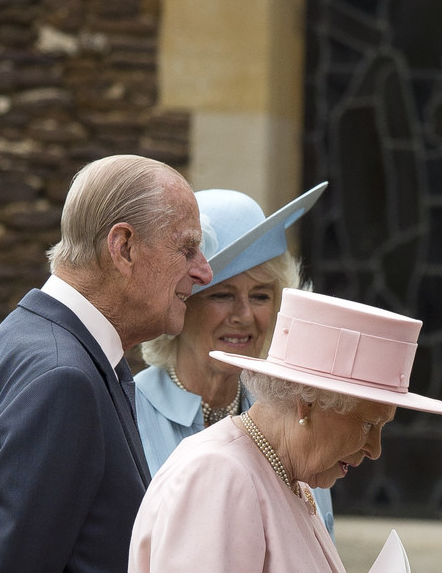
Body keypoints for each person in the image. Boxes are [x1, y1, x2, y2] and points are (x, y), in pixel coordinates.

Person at [0, 154, 214, 573]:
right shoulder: (63, 379)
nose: (204, 272)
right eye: (187, 248)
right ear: (124, 247)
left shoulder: (12, 344)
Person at [129, 288, 442, 572]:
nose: (375, 449)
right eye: (368, 424)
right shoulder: (219, 475)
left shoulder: (288, 476)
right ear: (307, 404)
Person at [133, 183, 338, 534]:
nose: (244, 315)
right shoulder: (126, 411)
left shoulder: (294, 420)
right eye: (223, 295)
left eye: (260, 296)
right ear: (181, 304)